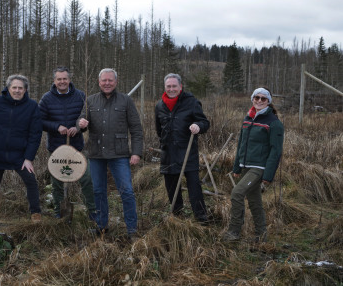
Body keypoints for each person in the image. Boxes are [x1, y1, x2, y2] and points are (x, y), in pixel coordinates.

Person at [78, 68, 143, 238]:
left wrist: (136, 152)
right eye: (104, 80)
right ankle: (101, 227)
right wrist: (81, 124)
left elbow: (136, 128)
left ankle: (132, 229)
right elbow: (81, 125)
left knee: (126, 191)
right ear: (99, 82)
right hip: (96, 154)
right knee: (98, 191)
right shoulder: (90, 100)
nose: (107, 83)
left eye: (110, 80)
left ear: (116, 81)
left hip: (119, 154)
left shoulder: (126, 101)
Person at [0, 74, 43, 230]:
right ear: (8, 88)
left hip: (19, 155)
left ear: (25, 90)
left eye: (21, 88)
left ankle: (36, 217)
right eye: (14, 87)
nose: (17, 91)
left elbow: (36, 134)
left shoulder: (32, 106)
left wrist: (29, 158)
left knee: (31, 181)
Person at [222, 87, 284, 243]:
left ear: (268, 102)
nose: (259, 101)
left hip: (259, 168)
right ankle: (261, 235)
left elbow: (276, 151)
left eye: (264, 98)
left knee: (237, 193)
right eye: (257, 97)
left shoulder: (274, 123)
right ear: (252, 99)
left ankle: (233, 232)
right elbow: (241, 145)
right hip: (245, 166)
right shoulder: (247, 119)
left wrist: (268, 176)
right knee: (255, 201)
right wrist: (237, 167)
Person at [38, 67, 96, 219]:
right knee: (57, 183)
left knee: (87, 179)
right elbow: (40, 121)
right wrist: (56, 127)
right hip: (56, 149)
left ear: (69, 80)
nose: (62, 82)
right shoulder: (46, 99)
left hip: (77, 147)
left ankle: (92, 212)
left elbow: (86, 119)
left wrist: (77, 128)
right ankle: (59, 212)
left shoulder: (81, 96)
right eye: (59, 79)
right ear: (54, 81)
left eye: (65, 79)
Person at [155, 73, 210, 224]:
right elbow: (158, 129)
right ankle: (177, 217)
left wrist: (198, 126)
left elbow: (205, 122)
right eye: (168, 86)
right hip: (168, 154)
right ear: (165, 87)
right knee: (172, 187)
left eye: (174, 86)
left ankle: (201, 218)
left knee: (194, 187)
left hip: (187, 152)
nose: (171, 89)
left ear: (180, 87)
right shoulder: (159, 106)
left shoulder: (191, 102)